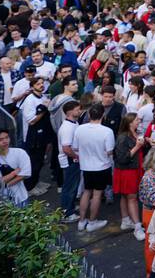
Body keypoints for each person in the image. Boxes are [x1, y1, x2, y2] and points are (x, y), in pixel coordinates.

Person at [74, 104, 116, 232]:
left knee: (86, 192)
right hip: (101, 167)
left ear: (89, 115)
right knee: (97, 195)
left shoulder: (79, 129)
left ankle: (81, 221)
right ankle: (92, 222)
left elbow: (75, 148)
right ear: (103, 115)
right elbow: (109, 151)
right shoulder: (107, 131)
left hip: (86, 166)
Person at [113, 112, 148, 239]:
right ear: (130, 122)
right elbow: (122, 158)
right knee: (132, 198)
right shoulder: (122, 137)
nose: (139, 121)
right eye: (137, 120)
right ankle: (137, 227)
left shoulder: (136, 133)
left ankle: (126, 220)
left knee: (125, 196)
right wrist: (138, 146)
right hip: (128, 171)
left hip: (134, 169)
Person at [56, 98, 83, 221]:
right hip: (70, 161)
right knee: (70, 187)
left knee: (73, 186)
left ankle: (69, 207)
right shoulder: (67, 127)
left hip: (73, 160)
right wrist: (76, 156)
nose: (80, 111)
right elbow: (66, 148)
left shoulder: (73, 123)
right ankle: (67, 213)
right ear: (70, 112)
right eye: (77, 110)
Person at [0, 128, 32, 207]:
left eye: (7, 137)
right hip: (0, 201)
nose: (5, 141)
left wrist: (5, 184)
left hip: (21, 197)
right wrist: (14, 173)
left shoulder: (20, 152)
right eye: (0, 139)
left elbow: (25, 174)